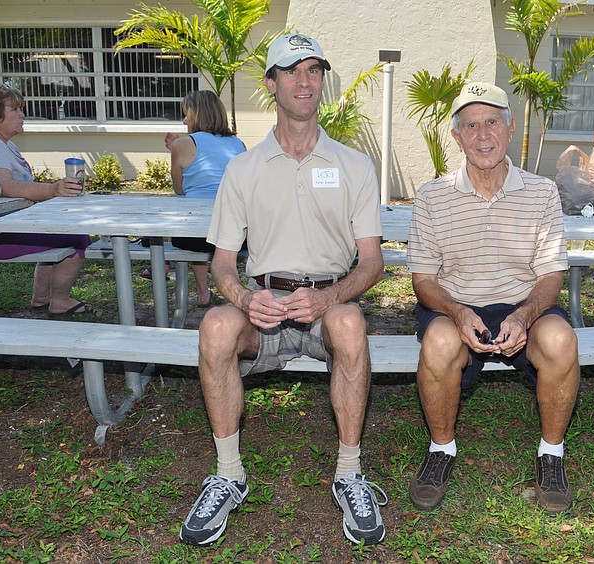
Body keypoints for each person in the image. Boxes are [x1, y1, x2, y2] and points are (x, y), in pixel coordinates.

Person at [180, 34, 388, 547]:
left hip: (326, 305)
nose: (304, 80)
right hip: (264, 309)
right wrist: (246, 299)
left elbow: (374, 262)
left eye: (313, 70)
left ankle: (349, 473)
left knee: (350, 322)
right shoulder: (243, 169)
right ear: (271, 84)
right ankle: (228, 474)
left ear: (322, 82)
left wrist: (329, 297)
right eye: (291, 70)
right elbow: (224, 264)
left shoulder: (354, 166)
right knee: (215, 326)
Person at [406, 82, 580, 515]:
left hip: (524, 305)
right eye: (471, 125)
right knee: (442, 342)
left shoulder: (541, 192)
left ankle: (551, 455)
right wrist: (457, 311)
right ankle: (441, 450)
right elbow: (424, 279)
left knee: (561, 340)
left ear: (510, 127)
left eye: (492, 122)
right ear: (457, 137)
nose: (483, 135)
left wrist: (524, 316)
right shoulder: (432, 195)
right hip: (456, 304)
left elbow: (551, 274)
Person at [0, 81, 91, 316]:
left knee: (56, 234)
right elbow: (5, 186)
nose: (22, 114)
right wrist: (52, 190)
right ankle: (59, 301)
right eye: (14, 109)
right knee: (77, 239)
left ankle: (43, 298)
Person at [164, 90, 246, 307]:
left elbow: (179, 190)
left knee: (189, 220)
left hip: (194, 236)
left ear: (197, 115)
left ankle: (202, 292)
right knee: (208, 221)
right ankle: (232, 293)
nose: (184, 120)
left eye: (187, 115)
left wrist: (176, 149)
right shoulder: (239, 145)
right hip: (236, 236)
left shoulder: (182, 144)